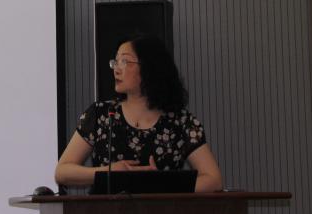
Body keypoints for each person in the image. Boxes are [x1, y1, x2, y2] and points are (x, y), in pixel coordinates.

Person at [54, 34, 223, 192]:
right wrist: (108, 172)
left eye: (124, 62)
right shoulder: (101, 114)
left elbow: (214, 180)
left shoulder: (180, 122)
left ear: (149, 68)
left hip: (162, 212)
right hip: (105, 212)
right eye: (115, 62)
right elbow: (62, 172)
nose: (116, 69)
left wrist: (161, 185)